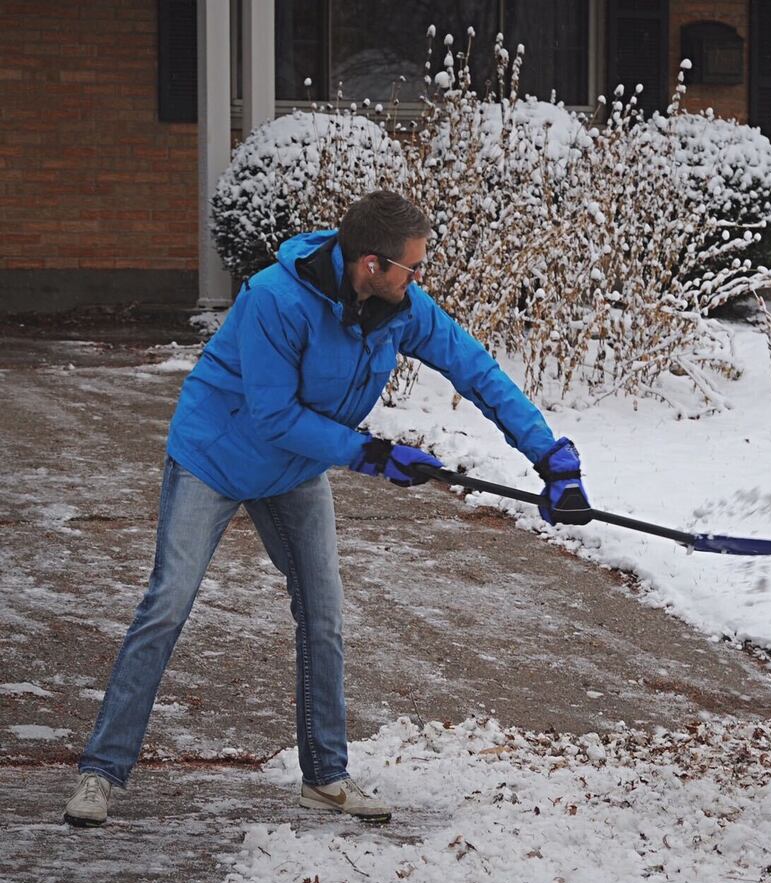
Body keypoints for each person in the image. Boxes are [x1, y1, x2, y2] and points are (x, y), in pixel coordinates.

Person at [64, 190, 591, 827]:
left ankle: (325, 775)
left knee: (323, 614)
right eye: (412, 268)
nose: (418, 280)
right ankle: (102, 769)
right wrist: (372, 455)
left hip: (296, 470)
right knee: (168, 603)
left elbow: (476, 370)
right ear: (371, 264)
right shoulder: (274, 300)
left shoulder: (401, 309)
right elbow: (274, 413)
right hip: (217, 456)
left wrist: (551, 459)